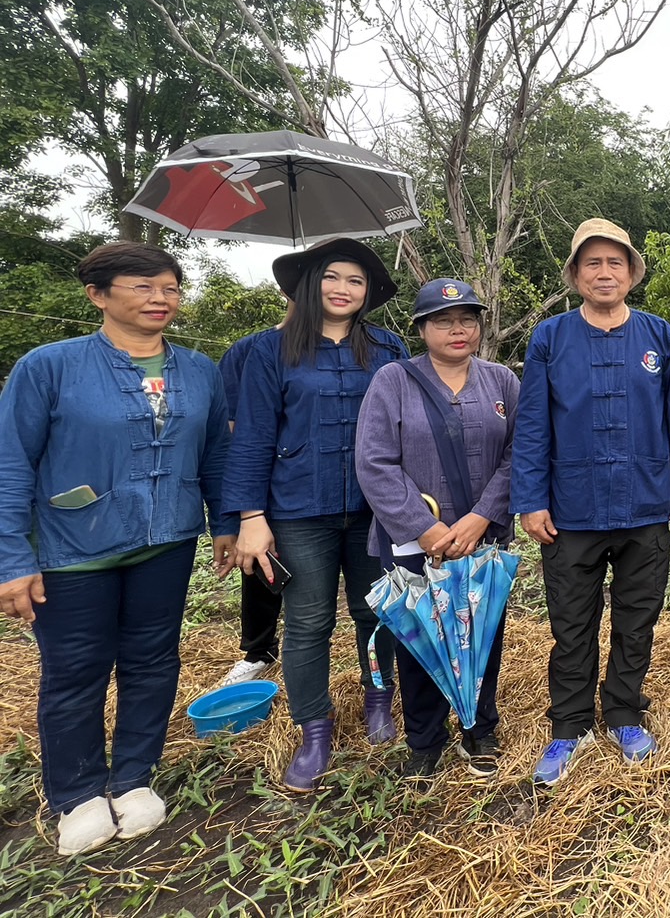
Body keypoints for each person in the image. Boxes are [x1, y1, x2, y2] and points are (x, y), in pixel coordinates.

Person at [0, 243, 235, 856]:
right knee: (75, 670)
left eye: (171, 288)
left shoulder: (199, 370)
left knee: (153, 659)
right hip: (74, 547)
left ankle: (133, 777)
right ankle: (76, 793)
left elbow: (215, 455)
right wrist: (12, 558)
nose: (161, 299)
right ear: (98, 295)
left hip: (168, 540)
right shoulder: (50, 367)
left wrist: (226, 523)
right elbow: (11, 464)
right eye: (142, 287)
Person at [511, 218, 670, 786]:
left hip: (645, 502)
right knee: (571, 623)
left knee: (637, 617)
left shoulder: (657, 335)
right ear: (575, 274)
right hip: (571, 507)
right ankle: (569, 725)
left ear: (630, 272)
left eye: (614, 262)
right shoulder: (550, 337)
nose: (604, 272)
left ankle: (623, 712)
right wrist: (530, 498)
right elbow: (532, 426)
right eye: (591, 263)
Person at [226, 237, 407, 792]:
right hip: (299, 511)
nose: (343, 289)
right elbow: (251, 437)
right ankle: (315, 726)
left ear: (368, 293)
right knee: (308, 621)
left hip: (375, 510)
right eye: (332, 277)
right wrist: (250, 517)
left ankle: (379, 702)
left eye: (355, 281)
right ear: (309, 284)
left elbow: (408, 428)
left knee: (375, 612)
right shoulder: (269, 350)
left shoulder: (387, 348)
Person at [356, 278, 520, 781]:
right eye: (443, 320)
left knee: (483, 634)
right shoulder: (393, 380)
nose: (457, 329)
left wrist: (481, 517)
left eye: (467, 318)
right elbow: (374, 461)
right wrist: (425, 529)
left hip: (483, 537)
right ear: (422, 328)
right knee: (420, 638)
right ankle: (424, 739)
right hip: (414, 544)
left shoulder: (502, 382)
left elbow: (521, 455)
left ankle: (479, 728)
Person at [213, 301, 292, 689]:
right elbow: (230, 427)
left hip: (340, 484)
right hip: (268, 482)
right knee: (262, 566)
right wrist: (242, 508)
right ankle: (259, 651)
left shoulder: (368, 346)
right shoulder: (250, 350)